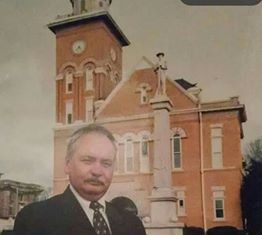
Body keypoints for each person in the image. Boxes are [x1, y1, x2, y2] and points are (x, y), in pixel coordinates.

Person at [14, 124, 146, 235]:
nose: (97, 171)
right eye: (87, 161)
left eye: (106, 163)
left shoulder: (132, 225)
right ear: (67, 164)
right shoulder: (34, 219)